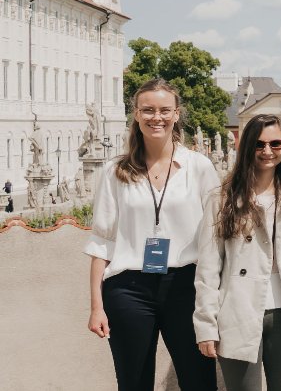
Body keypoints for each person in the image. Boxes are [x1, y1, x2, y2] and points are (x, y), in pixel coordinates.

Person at [85, 78, 221, 391]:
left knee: (199, 381)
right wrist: (96, 307)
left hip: (187, 285)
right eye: (147, 110)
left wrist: (216, 299)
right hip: (129, 289)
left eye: (164, 110)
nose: (155, 117)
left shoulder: (198, 167)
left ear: (176, 115)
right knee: (133, 384)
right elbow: (102, 240)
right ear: (135, 114)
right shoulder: (114, 171)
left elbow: (216, 237)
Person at [194, 114, 281, 391]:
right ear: (247, 148)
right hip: (239, 311)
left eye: (276, 144)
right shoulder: (222, 198)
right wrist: (206, 326)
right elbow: (207, 268)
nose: (268, 151)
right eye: (259, 144)